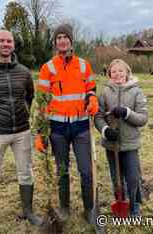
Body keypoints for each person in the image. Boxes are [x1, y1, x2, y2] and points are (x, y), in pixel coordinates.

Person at [0, 30, 42, 234]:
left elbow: (30, 96)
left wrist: (24, 114)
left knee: (26, 171)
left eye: (9, 41)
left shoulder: (24, 72)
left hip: (22, 131)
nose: (5, 44)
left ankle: (28, 211)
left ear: (13, 45)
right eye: (1, 40)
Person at [34, 24, 99, 224]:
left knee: (86, 171)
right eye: (58, 37)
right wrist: (40, 133)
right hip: (58, 128)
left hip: (81, 126)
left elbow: (91, 88)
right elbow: (42, 102)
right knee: (62, 170)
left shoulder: (83, 65)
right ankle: (64, 208)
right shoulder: (48, 68)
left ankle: (90, 209)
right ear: (55, 42)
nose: (62, 40)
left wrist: (93, 98)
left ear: (71, 41)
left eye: (66, 37)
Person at [94, 59, 148, 217]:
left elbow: (143, 118)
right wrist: (105, 130)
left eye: (120, 71)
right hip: (112, 144)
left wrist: (126, 113)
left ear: (127, 73)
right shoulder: (104, 93)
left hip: (130, 143)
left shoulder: (136, 91)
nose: (117, 74)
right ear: (109, 74)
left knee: (132, 177)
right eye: (114, 71)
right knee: (116, 178)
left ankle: (134, 204)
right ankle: (120, 202)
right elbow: (98, 116)